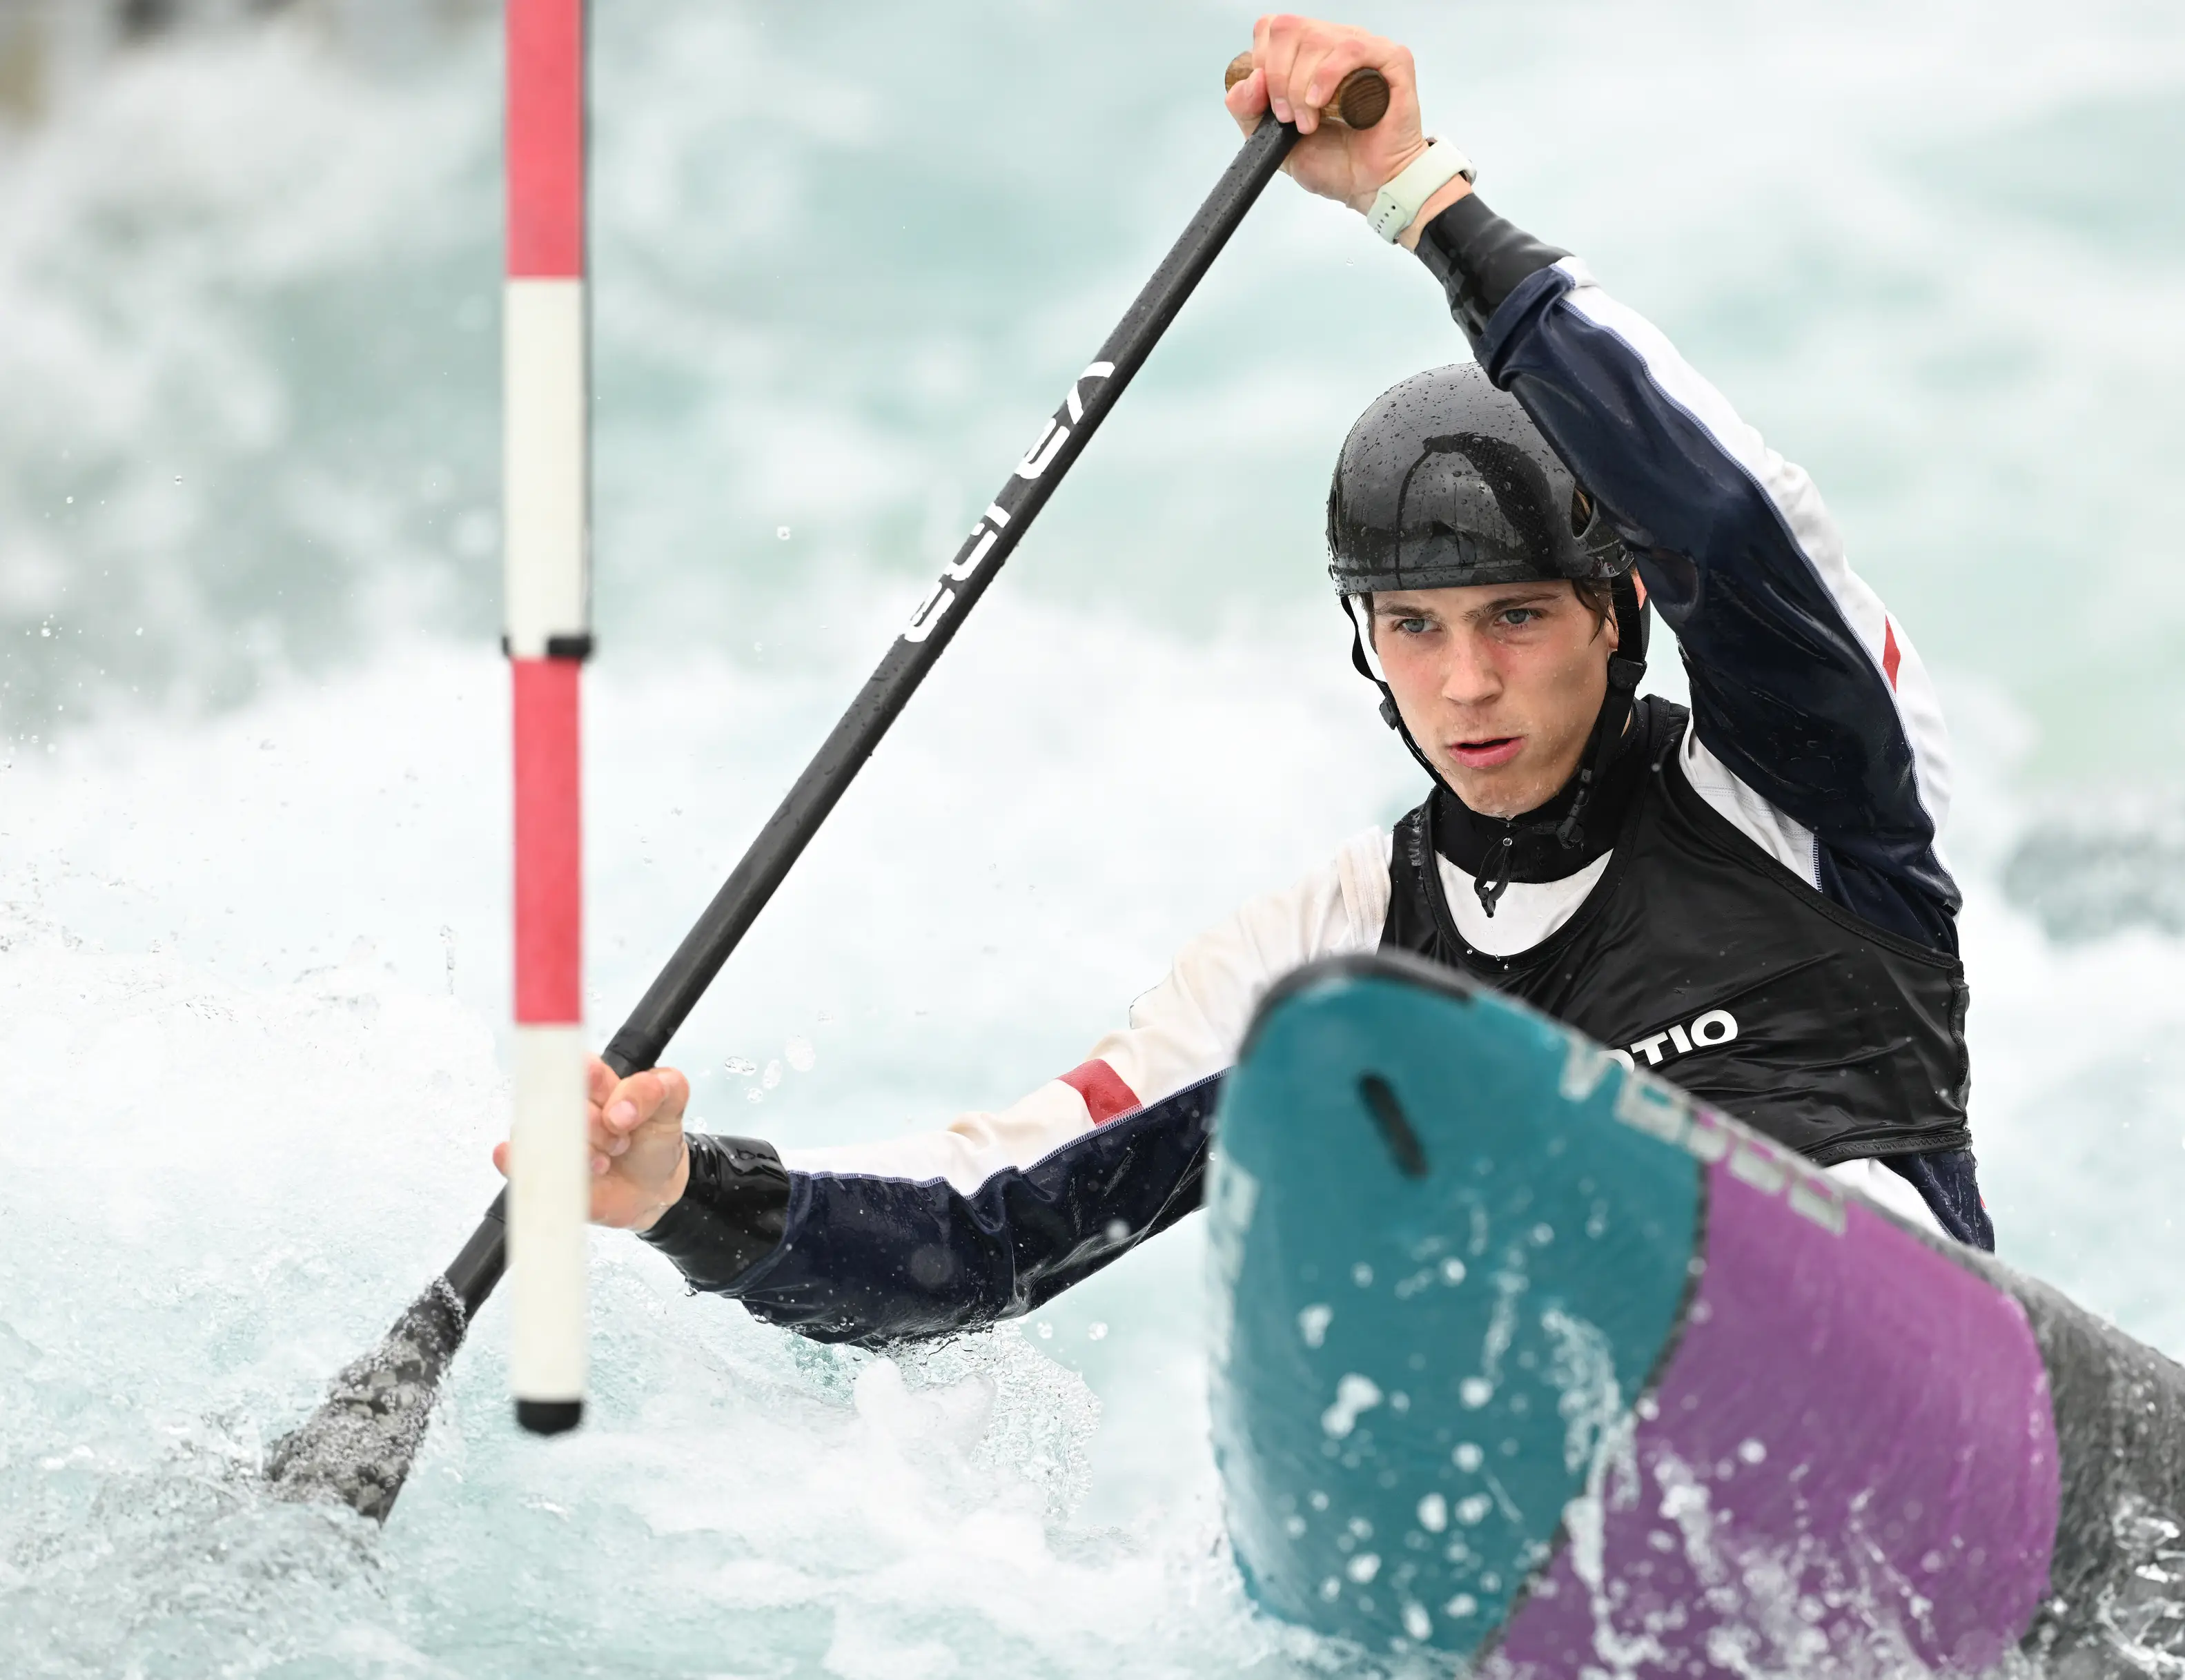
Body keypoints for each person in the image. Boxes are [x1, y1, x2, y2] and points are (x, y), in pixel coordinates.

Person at [502, 16, 1988, 1342]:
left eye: (1518, 617)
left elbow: (1729, 516)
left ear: (1620, 610)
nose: (1467, 682)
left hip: (1899, 1386)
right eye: (1414, 629)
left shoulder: (1803, 788)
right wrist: (679, 1192)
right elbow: (985, 1237)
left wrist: (1422, 201)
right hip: (1541, 1457)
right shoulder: (1329, 966)